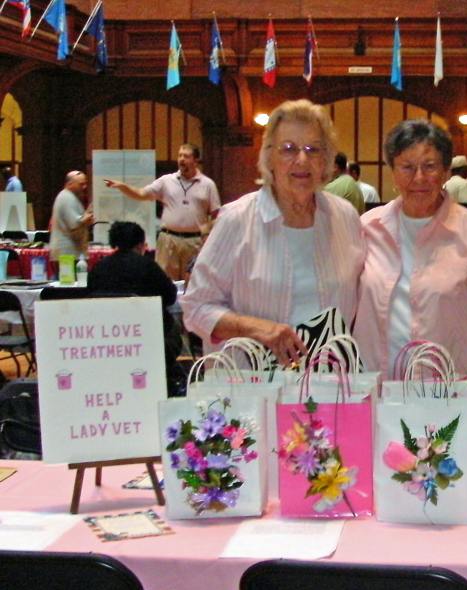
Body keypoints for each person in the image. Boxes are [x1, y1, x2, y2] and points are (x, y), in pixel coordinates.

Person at [181, 99, 364, 365]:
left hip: (330, 383)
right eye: (288, 149)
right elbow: (196, 308)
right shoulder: (237, 219)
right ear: (269, 158)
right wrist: (255, 328)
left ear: (326, 160)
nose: (302, 160)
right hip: (251, 382)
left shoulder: (345, 218)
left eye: (313, 149)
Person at [354, 119, 467, 380]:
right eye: (407, 167)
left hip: (450, 390)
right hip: (378, 386)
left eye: (429, 166)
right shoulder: (368, 228)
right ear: (393, 171)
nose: (419, 178)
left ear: (446, 171)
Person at [87, 221, 182, 393]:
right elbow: (170, 296)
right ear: (140, 245)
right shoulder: (147, 265)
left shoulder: (99, 268)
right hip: (149, 337)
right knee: (172, 326)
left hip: (107, 338)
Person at [105, 144, 221, 281]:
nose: (181, 159)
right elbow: (141, 194)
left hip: (194, 241)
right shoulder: (166, 181)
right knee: (164, 280)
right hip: (168, 239)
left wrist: (209, 237)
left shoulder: (208, 184)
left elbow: (216, 215)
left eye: (186, 156)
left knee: (193, 281)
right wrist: (123, 187)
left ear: (196, 161)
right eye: (180, 155)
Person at [49, 171, 94, 261]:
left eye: (85, 184)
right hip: (67, 253)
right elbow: (74, 224)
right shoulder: (66, 197)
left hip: (70, 252)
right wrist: (87, 217)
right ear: (70, 184)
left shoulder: (70, 197)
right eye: (81, 184)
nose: (84, 187)